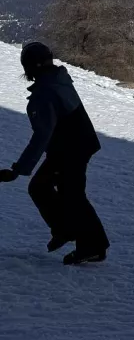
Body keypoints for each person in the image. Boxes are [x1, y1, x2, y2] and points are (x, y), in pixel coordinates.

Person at [0, 43, 110, 265]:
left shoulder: (45, 92)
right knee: (44, 187)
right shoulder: (58, 79)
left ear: (30, 67)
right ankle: (69, 232)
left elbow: (42, 135)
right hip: (75, 144)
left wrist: (17, 170)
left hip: (71, 148)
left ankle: (90, 245)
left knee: (71, 194)